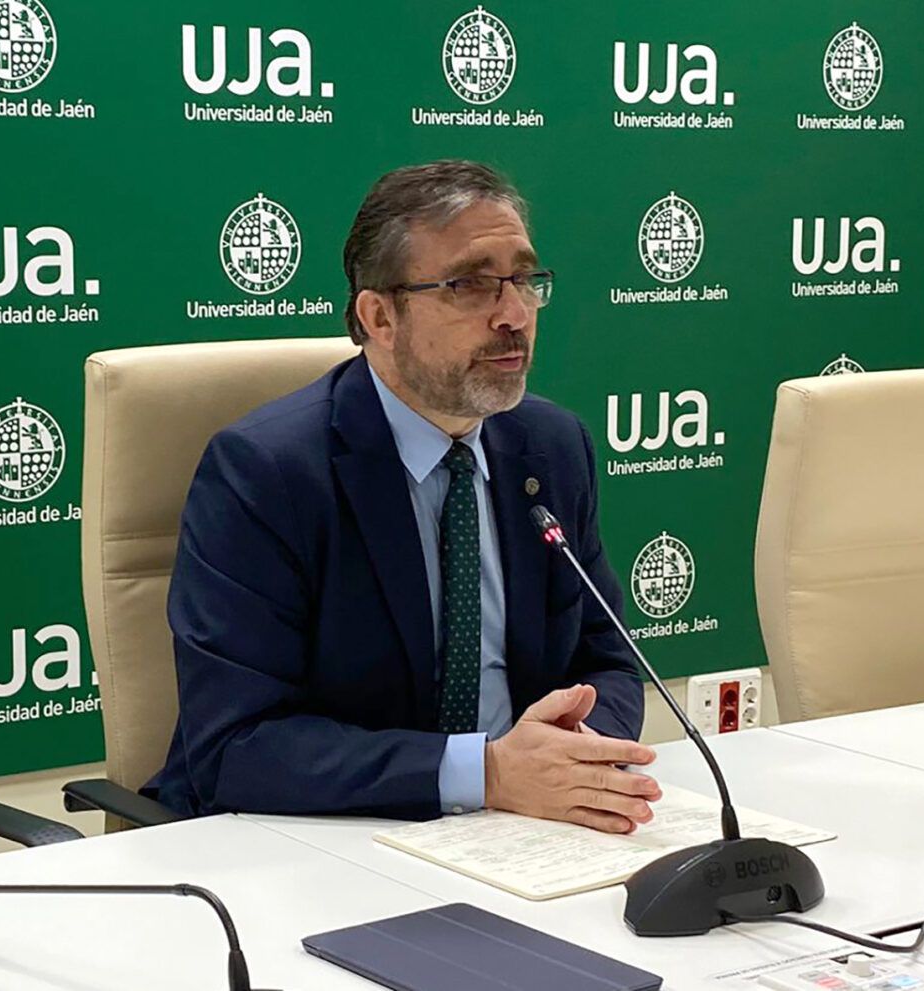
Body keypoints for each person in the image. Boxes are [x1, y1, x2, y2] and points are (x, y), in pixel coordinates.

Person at [146, 160, 661, 833]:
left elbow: (608, 658)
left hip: (524, 829)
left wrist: (576, 751)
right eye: (471, 285)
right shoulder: (267, 471)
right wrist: (487, 772)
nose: (514, 314)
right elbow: (234, 746)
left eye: (524, 279)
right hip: (324, 839)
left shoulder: (552, 446)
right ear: (380, 316)